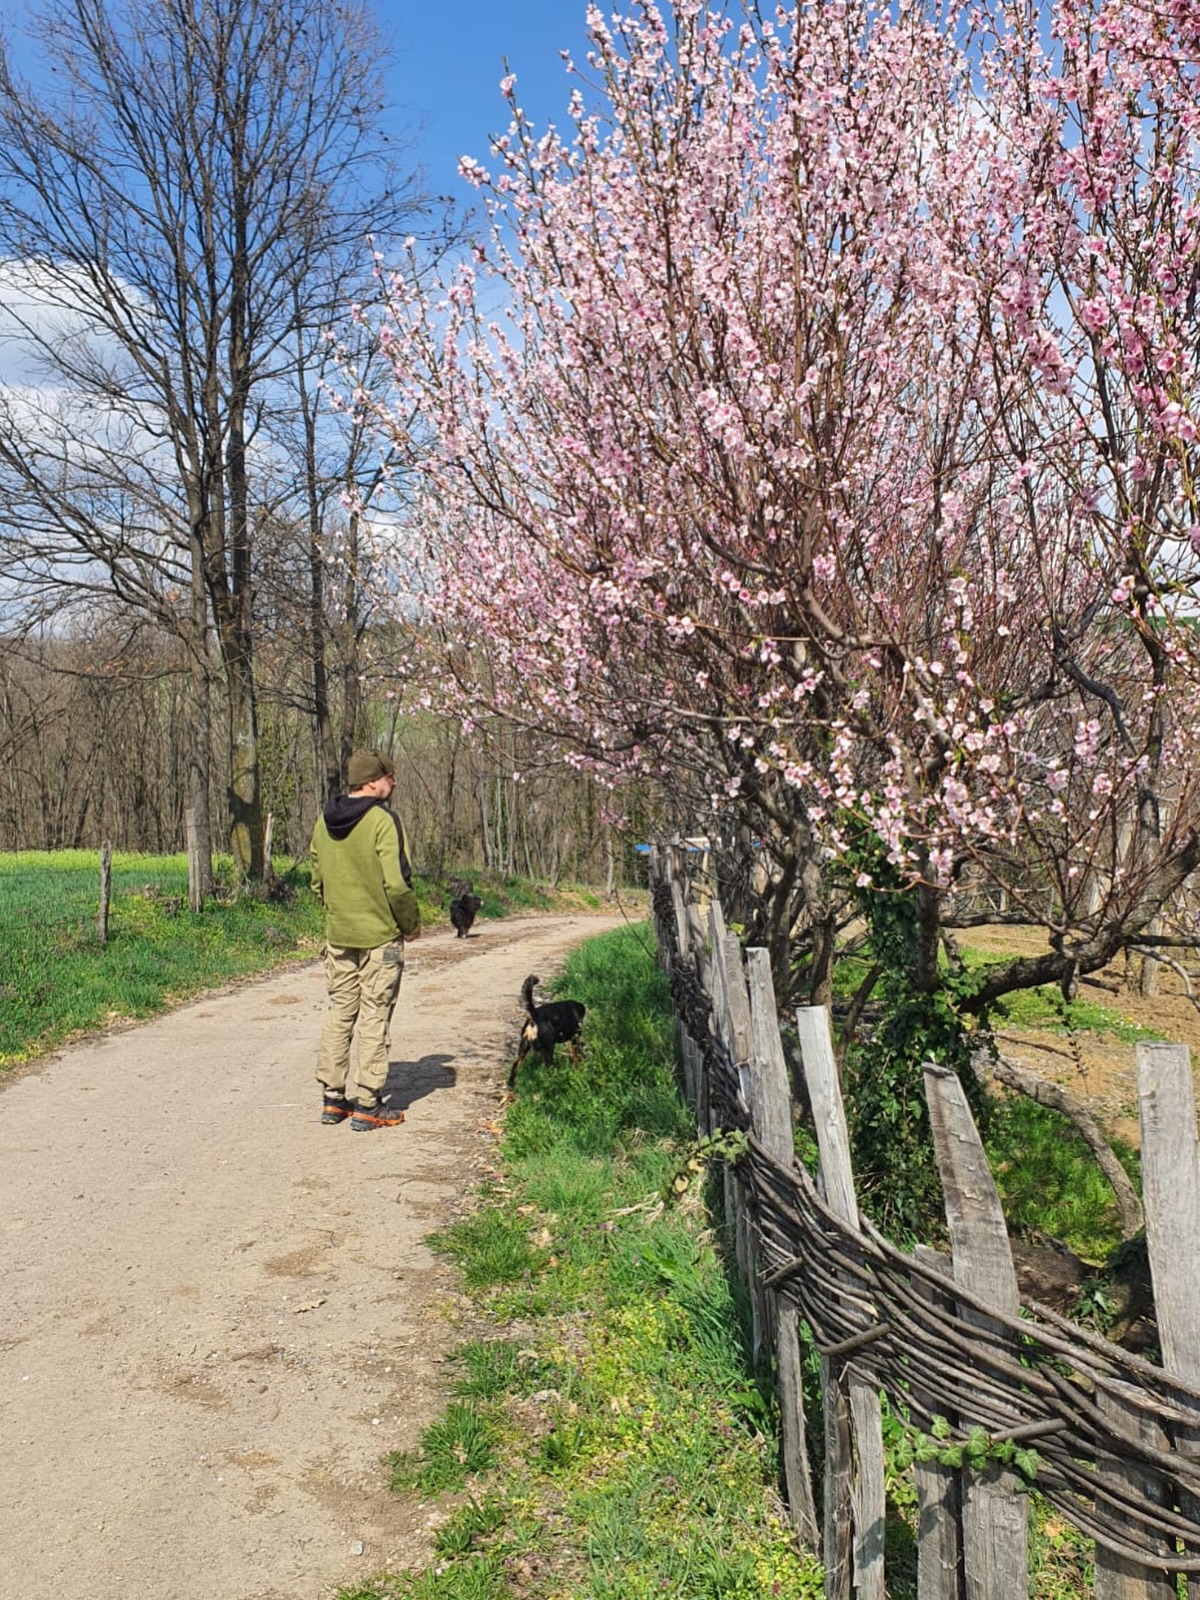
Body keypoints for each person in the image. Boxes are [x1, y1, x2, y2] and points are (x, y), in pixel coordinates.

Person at [309, 748, 420, 1130]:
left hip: (339, 935)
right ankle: (369, 1104)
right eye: (389, 776)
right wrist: (410, 924)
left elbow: (316, 878)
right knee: (374, 1014)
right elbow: (398, 883)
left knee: (340, 1012)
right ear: (372, 782)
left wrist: (337, 911)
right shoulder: (382, 822)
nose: (394, 782)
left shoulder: (324, 822)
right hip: (380, 938)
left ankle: (333, 1099)